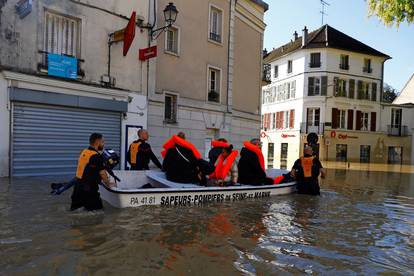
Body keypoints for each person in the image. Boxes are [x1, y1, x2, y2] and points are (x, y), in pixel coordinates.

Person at [71, 133, 115, 211]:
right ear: (97, 142)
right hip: (89, 190)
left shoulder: (84, 152)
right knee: (98, 213)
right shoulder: (96, 156)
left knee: (75, 212)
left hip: (77, 189)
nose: (104, 144)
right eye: (103, 142)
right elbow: (102, 173)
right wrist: (108, 184)